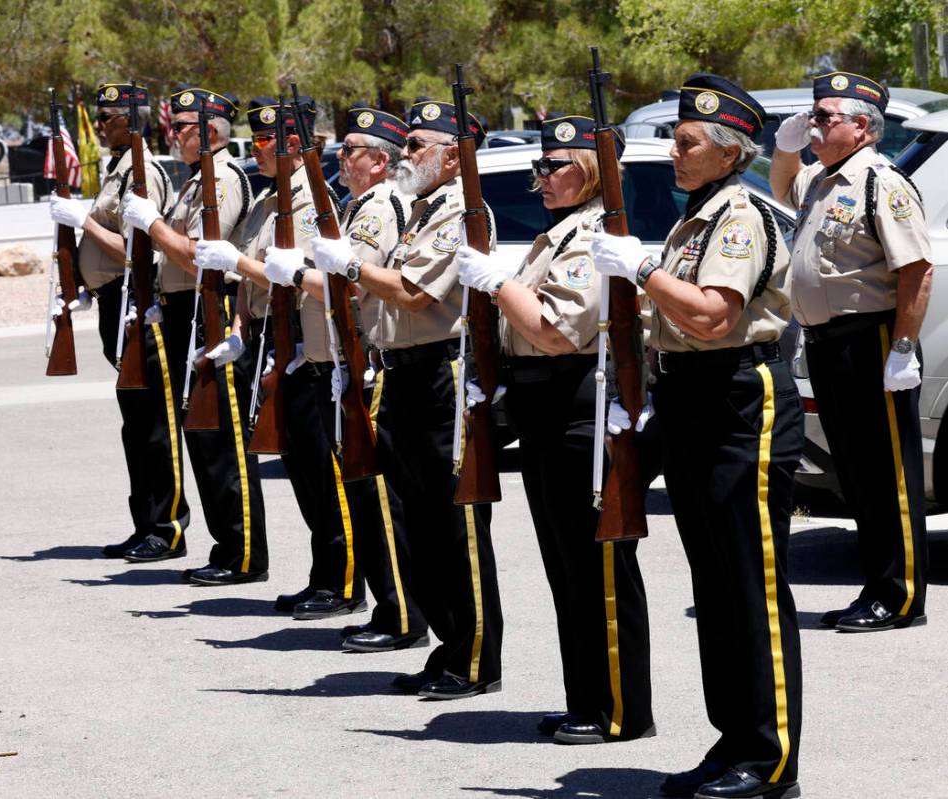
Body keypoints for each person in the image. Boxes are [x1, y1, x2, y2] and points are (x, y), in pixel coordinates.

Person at [593, 74, 802, 798]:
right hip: (690, 399)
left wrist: (642, 268)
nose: (673, 153)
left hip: (740, 401)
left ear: (725, 152)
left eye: (685, 143)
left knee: (751, 586)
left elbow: (712, 315)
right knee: (714, 587)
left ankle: (769, 759)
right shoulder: (698, 215)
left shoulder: (737, 216)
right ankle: (732, 739)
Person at [455, 115, 654, 742]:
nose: (540, 177)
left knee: (596, 565)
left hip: (577, 409)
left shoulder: (594, 235)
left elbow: (552, 329)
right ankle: (588, 699)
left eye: (554, 166)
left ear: (591, 172)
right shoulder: (556, 236)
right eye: (539, 166)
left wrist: (497, 282)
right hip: (546, 410)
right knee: (565, 567)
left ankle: (621, 709)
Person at [311, 99, 504, 700]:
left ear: (452, 154)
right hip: (403, 373)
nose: (406, 153)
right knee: (414, 522)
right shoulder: (420, 211)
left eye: (418, 144)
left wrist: (348, 268)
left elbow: (415, 293)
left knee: (455, 524)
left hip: (443, 373)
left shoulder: (460, 213)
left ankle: (476, 659)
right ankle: (448, 646)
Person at [769, 71, 931, 633]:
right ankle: (875, 587)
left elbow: (915, 268)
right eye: (812, 116)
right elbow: (781, 186)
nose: (814, 124)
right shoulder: (823, 179)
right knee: (858, 475)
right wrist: (787, 147)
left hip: (872, 341)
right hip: (828, 345)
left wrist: (904, 348)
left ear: (862, 127)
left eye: (824, 117)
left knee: (890, 476)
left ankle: (902, 596)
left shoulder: (879, 183)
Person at [264, 107, 429, 652]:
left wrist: (296, 275)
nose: (342, 155)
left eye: (354, 148)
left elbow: (353, 288)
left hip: (362, 363)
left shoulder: (380, 208)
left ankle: (400, 612)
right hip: (344, 361)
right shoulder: (363, 205)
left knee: (376, 495)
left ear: (380, 161)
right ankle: (391, 607)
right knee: (364, 493)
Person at [194, 97, 365, 618]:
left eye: (266, 142)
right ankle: (322, 574)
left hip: (308, 342)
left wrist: (240, 263)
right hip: (275, 338)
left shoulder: (313, 202)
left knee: (321, 465)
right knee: (299, 465)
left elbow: (302, 277)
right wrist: (242, 330)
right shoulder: (270, 202)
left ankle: (344, 581)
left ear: (293, 145)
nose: (258, 150)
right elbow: (256, 282)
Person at [120, 87, 269, 585]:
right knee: (200, 435)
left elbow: (200, 256)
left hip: (212, 308)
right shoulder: (193, 181)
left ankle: (243, 552)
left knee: (222, 438)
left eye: (183, 126)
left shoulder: (221, 179)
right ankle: (227, 547)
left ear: (210, 133)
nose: (174, 132)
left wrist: (154, 225)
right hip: (184, 310)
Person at [48, 83, 184, 562]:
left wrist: (82, 222)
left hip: (138, 307)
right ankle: (144, 522)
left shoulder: (144, 173)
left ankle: (166, 528)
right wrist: (85, 287)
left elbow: (137, 254)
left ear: (131, 119)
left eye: (106, 117)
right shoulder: (118, 168)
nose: (100, 125)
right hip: (114, 304)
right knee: (134, 425)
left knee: (153, 426)